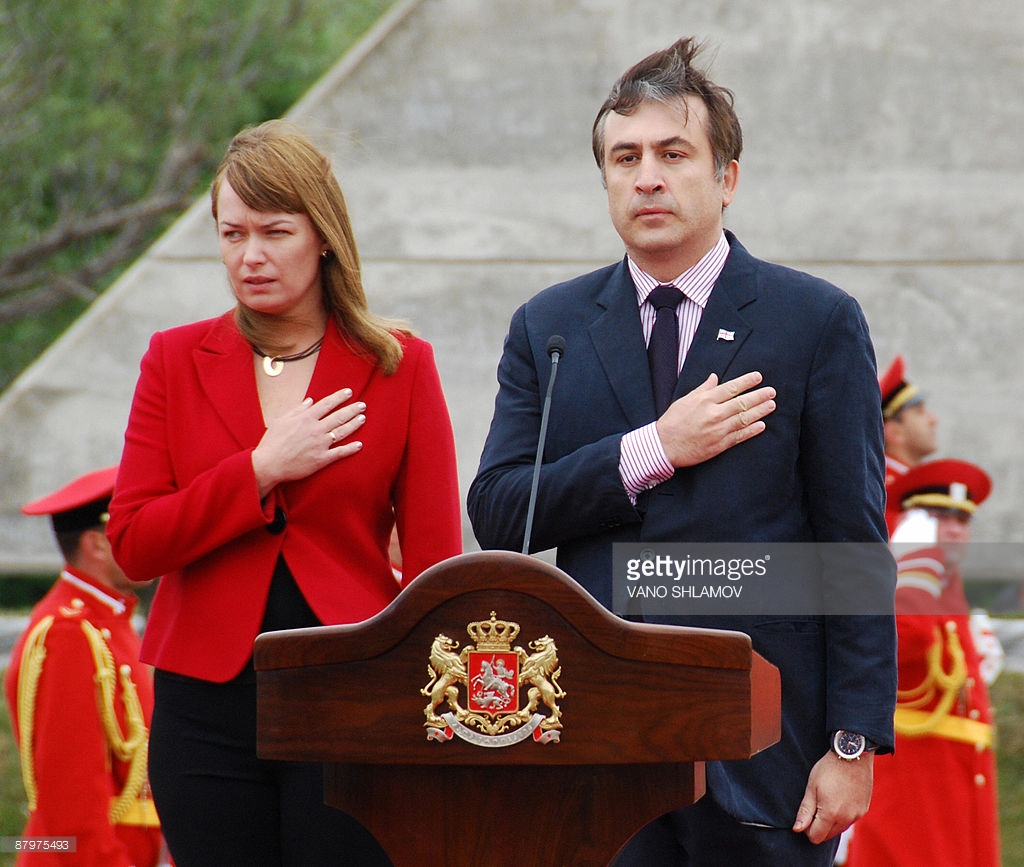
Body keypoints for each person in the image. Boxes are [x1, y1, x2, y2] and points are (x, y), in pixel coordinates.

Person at [468, 38, 896, 865]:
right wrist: (651, 448)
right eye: (623, 158)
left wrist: (852, 745)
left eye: (673, 153)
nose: (647, 177)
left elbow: (853, 544)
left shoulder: (814, 321)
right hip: (599, 742)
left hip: (764, 747)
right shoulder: (550, 327)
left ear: (726, 177)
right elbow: (499, 511)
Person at [106, 120, 462, 866]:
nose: (251, 255)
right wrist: (259, 470)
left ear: (323, 235)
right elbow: (135, 543)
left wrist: (434, 719)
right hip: (204, 707)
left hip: (352, 693)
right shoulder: (173, 359)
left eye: (275, 231)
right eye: (232, 234)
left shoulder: (401, 365)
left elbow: (435, 567)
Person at [3, 466, 165, 867]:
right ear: (96, 545)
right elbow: (70, 802)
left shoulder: (108, 621)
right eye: (133, 533)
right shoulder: (69, 634)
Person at [846, 458, 1000, 866]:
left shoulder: (950, 591)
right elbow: (901, 642)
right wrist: (911, 568)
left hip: (961, 779)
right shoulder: (906, 583)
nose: (953, 529)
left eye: (962, 521)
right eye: (938, 516)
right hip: (913, 783)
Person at [879, 354, 938, 485]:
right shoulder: (889, 488)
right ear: (894, 432)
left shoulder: (911, 483)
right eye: (920, 412)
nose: (934, 420)